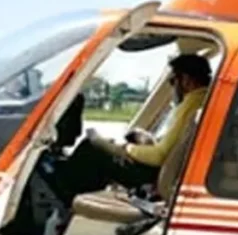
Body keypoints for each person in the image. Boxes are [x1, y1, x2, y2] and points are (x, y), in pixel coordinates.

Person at [60, 53, 211, 198]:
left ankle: (63, 194)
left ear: (186, 80)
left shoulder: (191, 104)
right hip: (162, 170)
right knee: (106, 146)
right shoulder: (204, 100)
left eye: (173, 81)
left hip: (153, 174)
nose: (173, 87)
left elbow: (159, 156)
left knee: (91, 146)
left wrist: (126, 148)